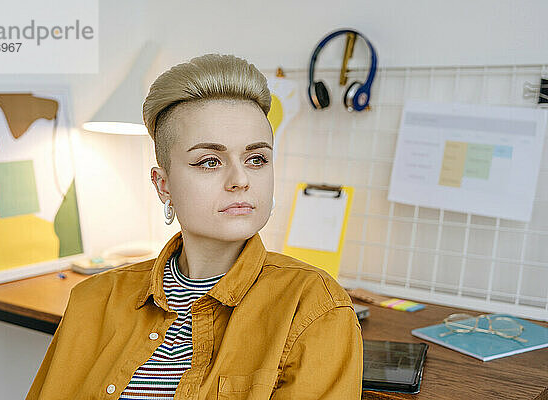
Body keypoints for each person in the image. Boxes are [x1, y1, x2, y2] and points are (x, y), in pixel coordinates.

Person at [26, 53, 363, 400]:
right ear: (163, 185)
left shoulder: (315, 307)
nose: (240, 179)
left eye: (257, 158)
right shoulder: (93, 300)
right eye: (209, 161)